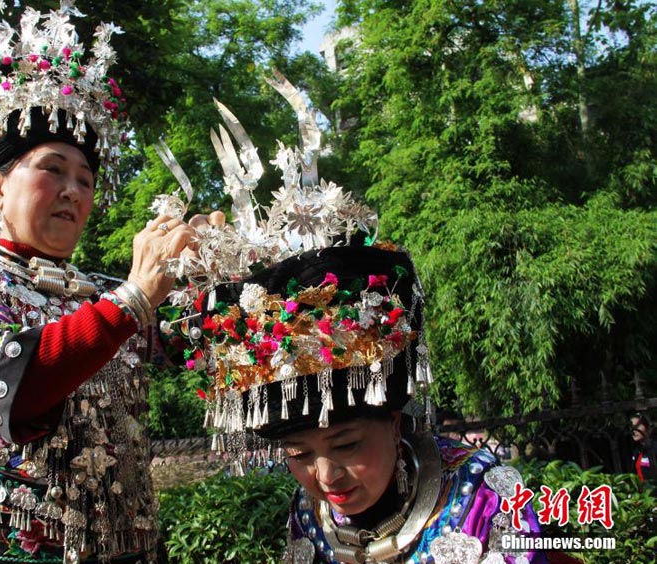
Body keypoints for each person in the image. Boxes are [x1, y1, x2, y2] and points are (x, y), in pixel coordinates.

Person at [157, 73, 547, 564]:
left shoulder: (481, 495)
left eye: (346, 443)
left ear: (393, 420)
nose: (326, 476)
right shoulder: (310, 514)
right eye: (298, 455)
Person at [0, 3, 218, 563]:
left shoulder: (99, 291)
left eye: (85, 179)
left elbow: (208, 347)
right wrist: (134, 298)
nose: (73, 191)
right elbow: (8, 387)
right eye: (52, 169)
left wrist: (219, 275)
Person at [630, 413, 657, 484]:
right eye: (631, 427)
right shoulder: (637, 449)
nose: (634, 430)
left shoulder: (654, 447)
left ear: (647, 426)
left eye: (637, 426)